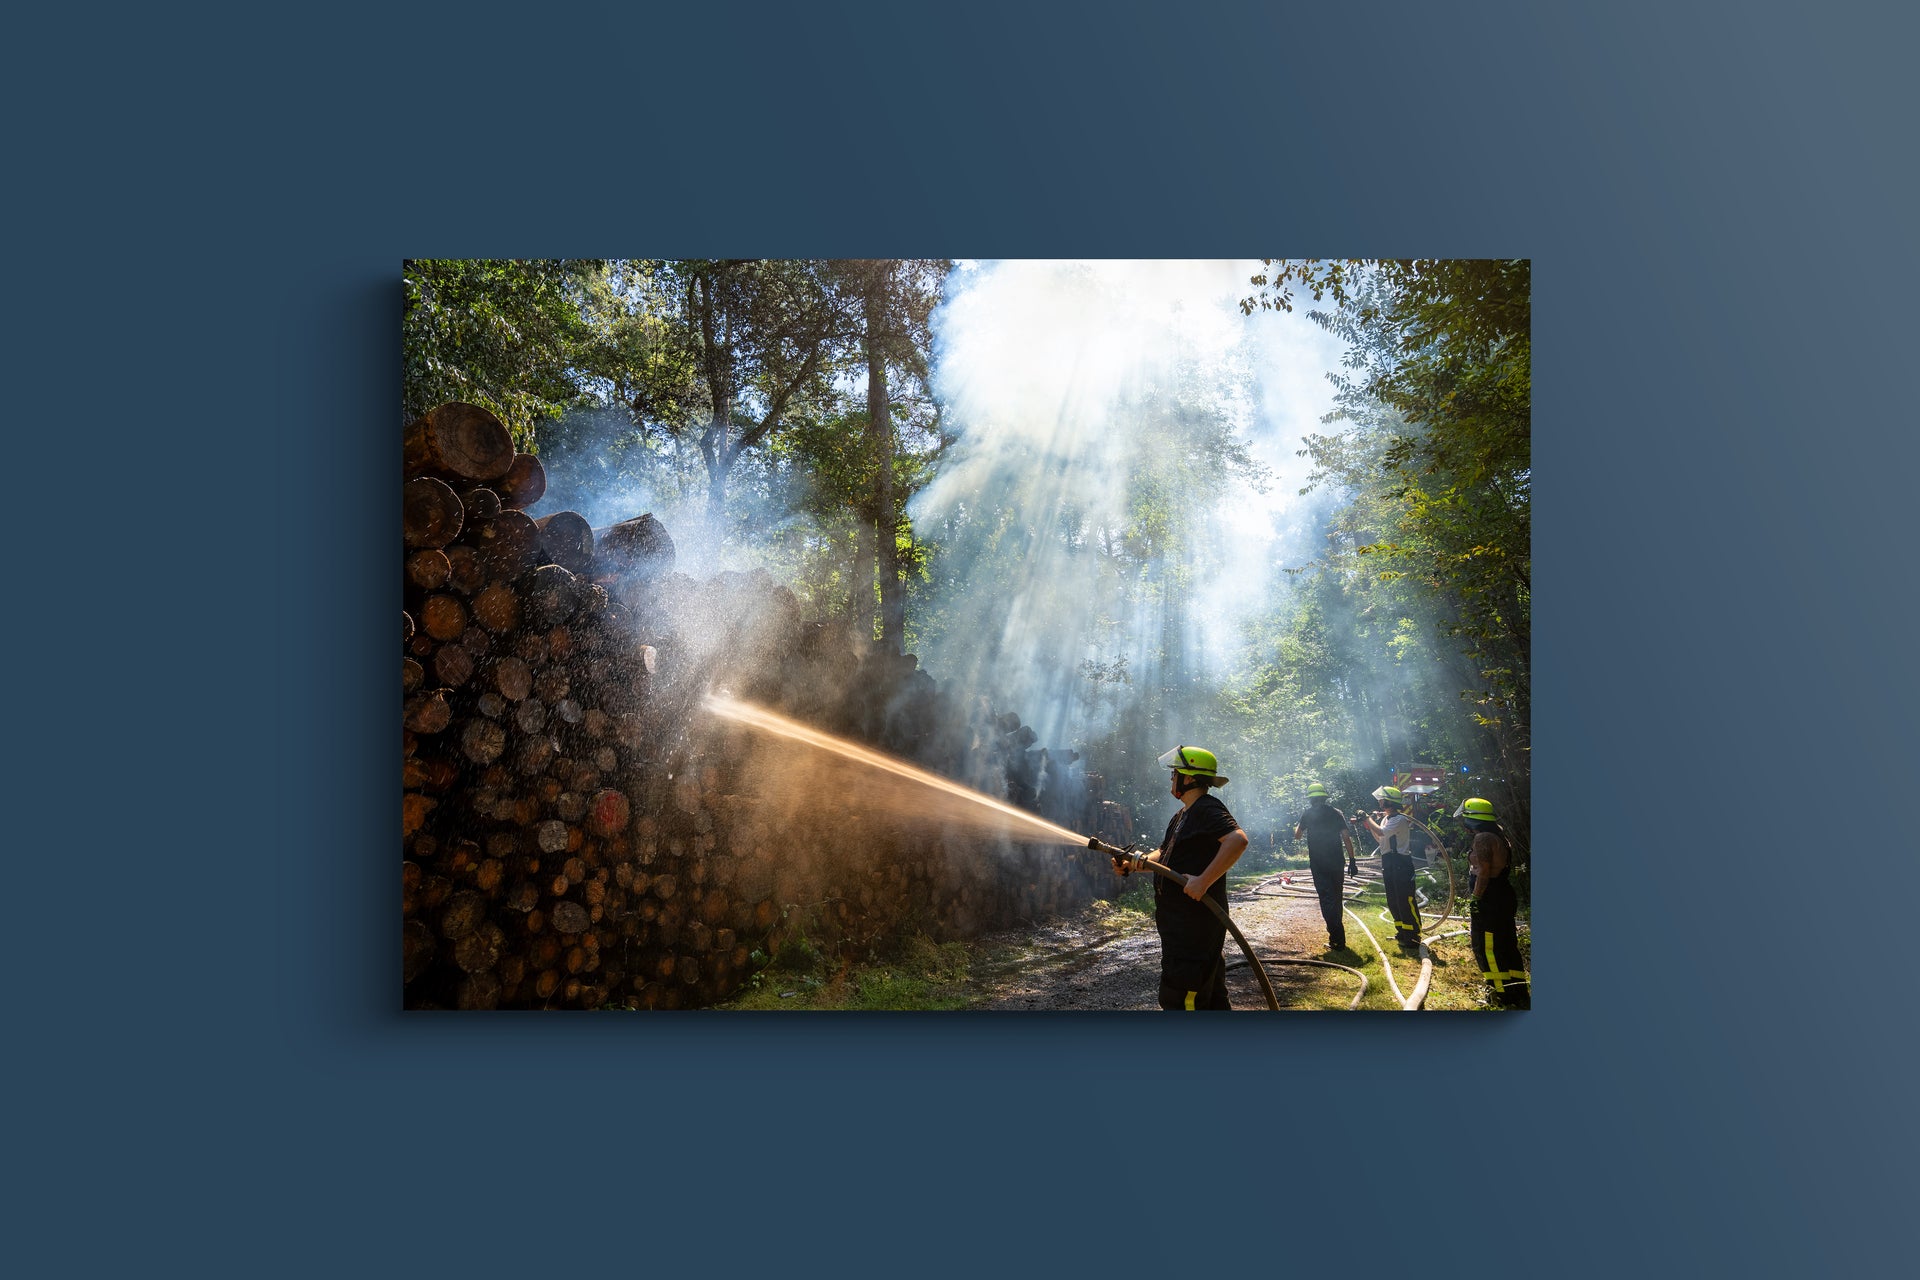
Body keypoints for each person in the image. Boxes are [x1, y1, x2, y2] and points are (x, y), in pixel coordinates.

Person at [1111, 746, 1248, 1010]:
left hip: (1193, 928)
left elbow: (1237, 840)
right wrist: (1136, 864)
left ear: (1188, 778)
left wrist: (1203, 881)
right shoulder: (1183, 815)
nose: (1171, 779)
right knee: (1211, 999)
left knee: (1180, 999)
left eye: (1174, 773)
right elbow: (1166, 853)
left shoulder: (1207, 808)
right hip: (1183, 928)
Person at [1458, 797, 1529, 1009]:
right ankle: (1517, 990)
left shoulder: (1482, 839)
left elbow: (1484, 872)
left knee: (1487, 946)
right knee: (1506, 944)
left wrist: (1476, 898)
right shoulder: (1498, 834)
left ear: (1472, 818)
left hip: (1490, 898)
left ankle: (1500, 994)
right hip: (1503, 895)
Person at [1293, 782, 1358, 952]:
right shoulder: (1336, 813)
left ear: (1311, 799)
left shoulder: (1307, 814)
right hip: (1337, 861)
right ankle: (1336, 939)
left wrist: (1300, 825)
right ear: (1324, 797)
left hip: (1319, 863)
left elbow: (1297, 836)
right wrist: (1352, 860)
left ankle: (1337, 939)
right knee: (1336, 897)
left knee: (1326, 899)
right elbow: (1346, 837)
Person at [1359, 784, 1421, 951]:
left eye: (1382, 801)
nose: (1380, 803)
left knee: (1405, 899)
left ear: (1389, 803)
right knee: (1393, 899)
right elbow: (1380, 839)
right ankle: (1401, 932)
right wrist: (1368, 823)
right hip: (1389, 862)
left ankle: (1413, 935)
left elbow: (1381, 832)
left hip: (1401, 863)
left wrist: (1367, 819)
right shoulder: (1386, 819)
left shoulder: (1400, 819)